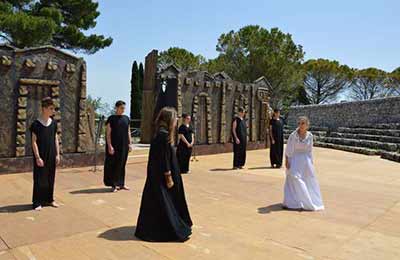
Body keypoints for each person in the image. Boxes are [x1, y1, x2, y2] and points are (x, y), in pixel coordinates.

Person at [135, 107, 193, 242]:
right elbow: (163, 159)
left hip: (159, 176)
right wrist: (168, 177)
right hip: (163, 177)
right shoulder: (162, 135)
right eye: (175, 118)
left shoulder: (161, 133)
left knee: (160, 202)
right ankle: (168, 228)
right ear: (169, 119)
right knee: (165, 202)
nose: (176, 120)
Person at [283, 116, 324, 211]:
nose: (300, 125)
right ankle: (291, 202)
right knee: (293, 179)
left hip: (306, 161)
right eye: (299, 123)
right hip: (294, 160)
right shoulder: (293, 135)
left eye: (302, 123)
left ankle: (305, 200)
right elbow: (288, 149)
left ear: (307, 125)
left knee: (307, 180)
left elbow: (310, 150)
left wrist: (311, 163)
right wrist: (287, 161)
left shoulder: (310, 136)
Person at [30, 97, 60, 211]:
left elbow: (55, 138)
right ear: (44, 109)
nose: (53, 111)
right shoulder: (36, 124)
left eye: (54, 108)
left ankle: (49, 199)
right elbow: (33, 142)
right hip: (41, 155)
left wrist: (57, 154)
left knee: (50, 177)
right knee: (39, 178)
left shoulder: (54, 123)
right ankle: (37, 202)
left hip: (52, 154)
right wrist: (37, 157)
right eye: (51, 108)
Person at [103, 100, 132, 192]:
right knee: (114, 164)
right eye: (121, 108)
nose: (123, 110)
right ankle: (114, 184)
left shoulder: (126, 118)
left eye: (124, 108)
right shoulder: (111, 119)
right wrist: (110, 146)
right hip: (114, 146)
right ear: (116, 108)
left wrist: (130, 143)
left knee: (122, 164)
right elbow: (108, 134)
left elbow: (128, 132)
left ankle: (121, 183)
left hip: (124, 145)